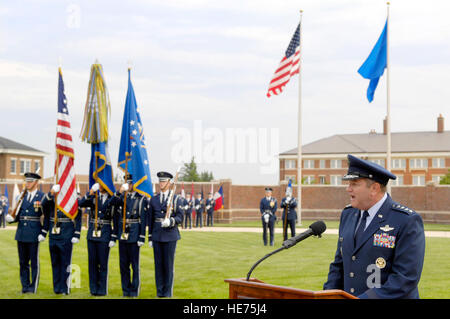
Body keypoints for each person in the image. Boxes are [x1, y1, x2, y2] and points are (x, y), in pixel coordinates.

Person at [323, 154, 426, 299]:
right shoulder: (348, 214)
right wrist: (327, 296)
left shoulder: (406, 220)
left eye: (354, 184)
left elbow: (404, 279)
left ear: (374, 188)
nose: (348, 189)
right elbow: (339, 265)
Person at [5, 172, 45, 294]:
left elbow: (46, 216)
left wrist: (43, 232)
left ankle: (33, 287)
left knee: (34, 262)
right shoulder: (22, 196)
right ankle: (25, 286)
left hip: (34, 233)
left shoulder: (42, 197)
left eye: (30, 181)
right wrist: (12, 219)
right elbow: (19, 214)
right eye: (26, 181)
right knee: (23, 262)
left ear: (36, 183)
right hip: (21, 233)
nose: (27, 184)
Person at [109, 174, 148, 297]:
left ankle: (134, 290)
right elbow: (111, 203)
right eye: (127, 183)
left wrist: (142, 236)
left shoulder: (140, 199)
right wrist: (119, 191)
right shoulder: (121, 197)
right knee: (123, 265)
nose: (129, 185)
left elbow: (143, 218)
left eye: (131, 183)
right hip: (123, 235)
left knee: (135, 265)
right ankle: (125, 290)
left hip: (134, 234)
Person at [147, 171, 184, 298]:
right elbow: (150, 219)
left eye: (163, 181)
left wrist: (171, 221)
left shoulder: (175, 199)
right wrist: (150, 237)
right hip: (157, 235)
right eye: (160, 181)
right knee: (158, 266)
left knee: (168, 265)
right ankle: (160, 292)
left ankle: (167, 292)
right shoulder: (154, 199)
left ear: (169, 183)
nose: (161, 183)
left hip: (170, 235)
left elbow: (180, 217)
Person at [41, 184, 82, 295]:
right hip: (53, 235)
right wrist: (51, 192)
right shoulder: (51, 198)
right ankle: (57, 288)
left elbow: (78, 215)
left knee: (65, 263)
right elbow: (43, 205)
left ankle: (65, 288)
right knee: (55, 263)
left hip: (66, 233)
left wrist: (76, 234)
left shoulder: (71, 198)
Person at [78, 182, 116, 296]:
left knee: (103, 263)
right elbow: (81, 203)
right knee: (92, 263)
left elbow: (116, 218)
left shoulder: (112, 199)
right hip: (92, 234)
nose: (100, 186)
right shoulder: (93, 197)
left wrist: (113, 236)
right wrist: (89, 193)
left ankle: (102, 289)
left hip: (105, 233)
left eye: (103, 183)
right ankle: (93, 289)